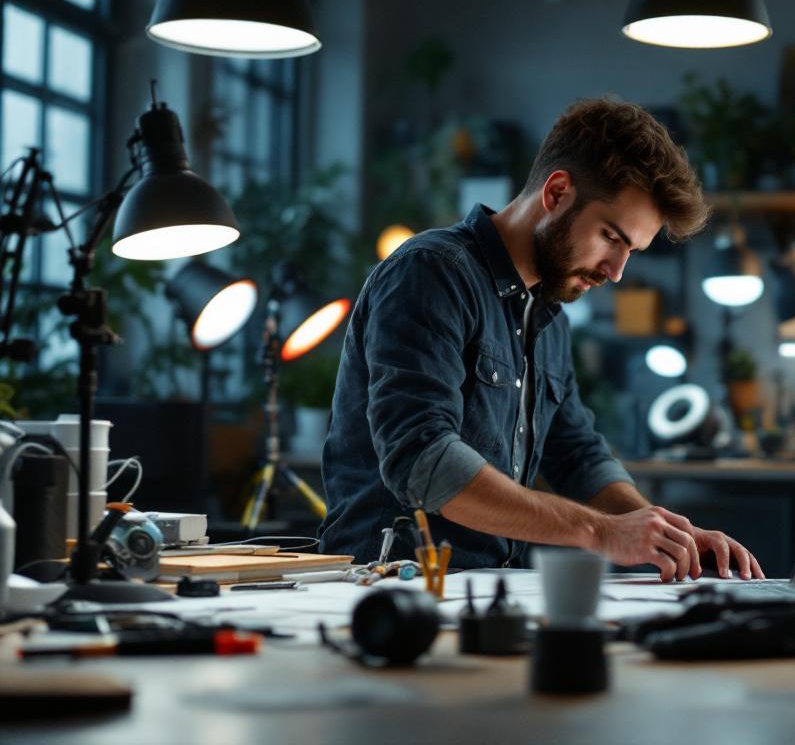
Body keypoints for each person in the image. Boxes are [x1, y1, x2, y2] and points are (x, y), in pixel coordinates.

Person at [318, 98, 763, 582]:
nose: (616, 272)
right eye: (611, 237)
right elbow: (423, 461)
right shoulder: (431, 273)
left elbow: (579, 454)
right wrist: (599, 532)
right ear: (557, 192)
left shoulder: (548, 313)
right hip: (385, 587)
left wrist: (665, 531)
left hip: (487, 589)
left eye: (631, 250)